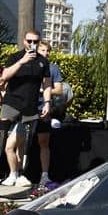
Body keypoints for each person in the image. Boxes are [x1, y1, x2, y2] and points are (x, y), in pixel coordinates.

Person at [0, 29, 52, 187]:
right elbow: (4, 76)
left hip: (30, 107)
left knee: (23, 142)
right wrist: (22, 61)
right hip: (11, 103)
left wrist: (47, 102)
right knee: (3, 138)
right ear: (24, 41)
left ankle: (18, 174)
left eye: (35, 41)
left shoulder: (43, 61)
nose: (32, 44)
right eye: (29, 41)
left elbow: (47, 83)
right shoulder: (15, 57)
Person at [34, 41, 65, 186]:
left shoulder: (53, 68)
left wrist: (43, 90)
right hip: (28, 108)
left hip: (44, 108)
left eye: (47, 51)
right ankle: (17, 173)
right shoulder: (29, 66)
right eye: (42, 50)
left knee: (44, 142)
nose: (45, 53)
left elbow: (59, 90)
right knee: (21, 141)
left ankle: (45, 175)